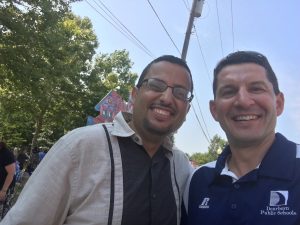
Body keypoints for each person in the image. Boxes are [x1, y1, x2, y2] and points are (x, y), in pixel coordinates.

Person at [1, 55, 194, 225]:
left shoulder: (182, 166)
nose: (167, 98)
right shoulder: (79, 148)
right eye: (156, 85)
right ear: (134, 95)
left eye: (180, 93)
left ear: (187, 109)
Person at [181, 51, 300, 225]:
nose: (243, 101)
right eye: (229, 91)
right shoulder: (197, 181)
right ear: (214, 110)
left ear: (279, 103)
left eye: (256, 89)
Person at [0, 141, 16, 220]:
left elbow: (11, 173)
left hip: (5, 188)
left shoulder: (6, 154)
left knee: (3, 214)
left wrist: (3, 191)